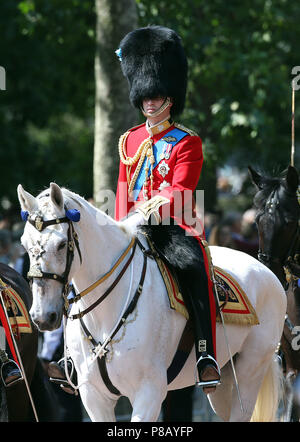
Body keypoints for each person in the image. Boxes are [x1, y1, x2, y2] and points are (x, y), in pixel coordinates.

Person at [114, 25, 220, 394]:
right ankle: (71, 356)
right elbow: (123, 189)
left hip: (172, 226)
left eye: (155, 95)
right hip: (131, 228)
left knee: (195, 268)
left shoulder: (187, 141)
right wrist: (118, 227)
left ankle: (206, 353)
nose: (148, 102)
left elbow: (181, 189)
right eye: (144, 96)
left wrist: (146, 213)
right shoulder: (130, 139)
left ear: (169, 98)